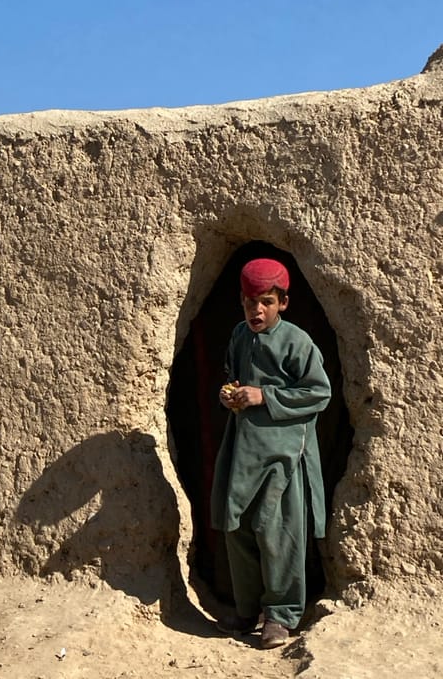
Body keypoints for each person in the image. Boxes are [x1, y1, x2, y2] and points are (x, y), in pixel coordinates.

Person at [210, 258, 331, 649]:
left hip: (284, 452)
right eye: (249, 302)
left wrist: (265, 396)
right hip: (244, 449)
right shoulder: (239, 336)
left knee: (277, 531)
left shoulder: (298, 342)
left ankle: (280, 615)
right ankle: (248, 609)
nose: (256, 311)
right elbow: (233, 375)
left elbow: (319, 392)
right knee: (237, 526)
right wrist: (230, 395)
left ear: (283, 302)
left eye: (265, 301)